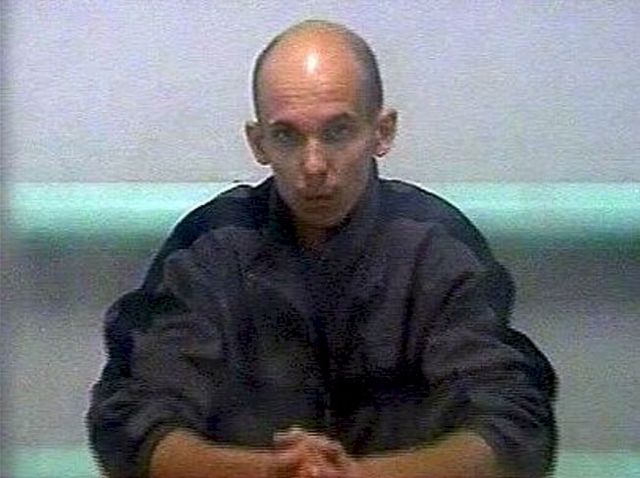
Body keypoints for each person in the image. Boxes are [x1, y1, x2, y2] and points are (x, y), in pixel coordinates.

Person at [87, 20, 557, 478]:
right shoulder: (210, 247)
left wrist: (361, 476)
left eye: (337, 132)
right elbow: (130, 421)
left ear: (382, 131)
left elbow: (514, 425)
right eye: (287, 135)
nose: (313, 166)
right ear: (258, 143)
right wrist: (268, 472)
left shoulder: (436, 247)